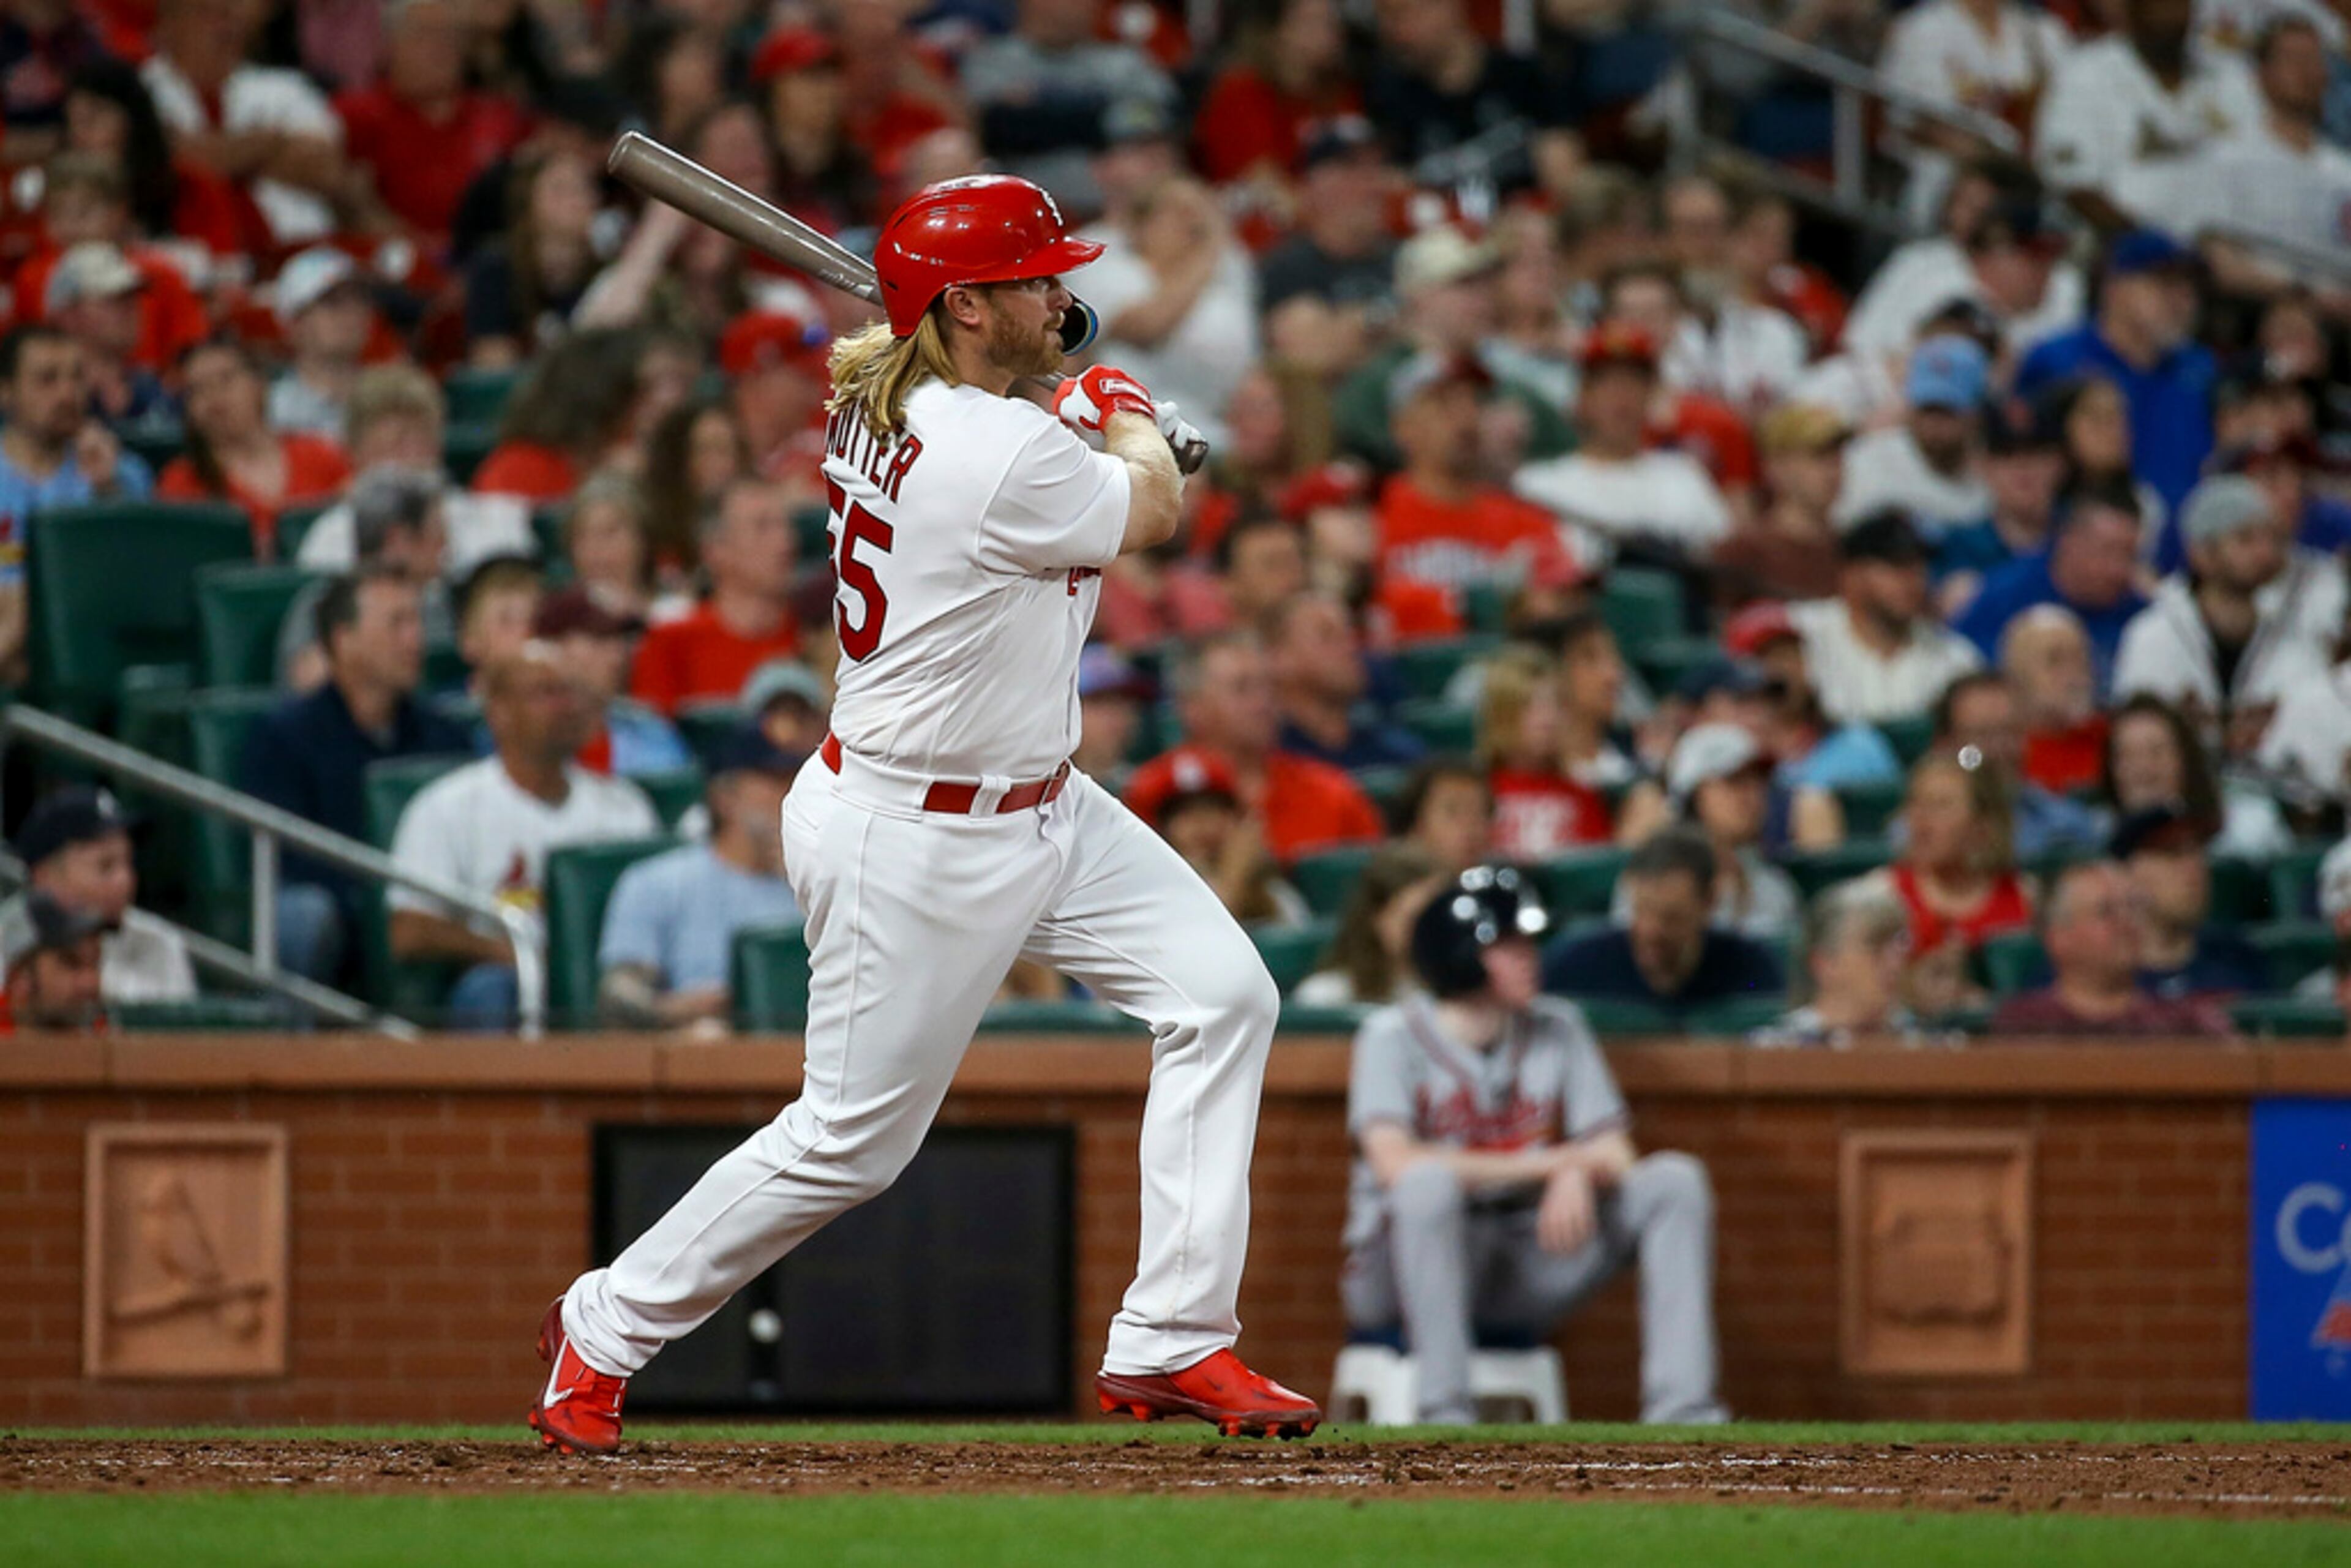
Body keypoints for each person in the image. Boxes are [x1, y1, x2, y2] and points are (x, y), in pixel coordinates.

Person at [534, 173, 1320, 1457]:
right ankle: (605, 1321)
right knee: (849, 1142)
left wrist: (1074, 412)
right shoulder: (984, 447)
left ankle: (1175, 1331)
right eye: (1034, 279)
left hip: (1042, 800)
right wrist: (1119, 417)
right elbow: (1157, 508)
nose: (1063, 294)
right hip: (915, 829)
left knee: (1223, 994)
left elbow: (1030, 439)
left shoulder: (892, 399)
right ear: (963, 306)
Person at [1346, 864, 1727, 1424]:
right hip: (1399, 1268)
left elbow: (1617, 1153)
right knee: (1427, 1188)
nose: (1530, 955)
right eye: (1508, 944)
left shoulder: (1560, 1025)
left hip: (1523, 1252)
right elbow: (1395, 1165)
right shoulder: (1390, 1035)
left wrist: (1575, 1170)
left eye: (1529, 940)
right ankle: (1444, 1410)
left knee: (1673, 1181)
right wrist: (1556, 1163)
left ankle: (1685, 1409)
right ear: (1457, 953)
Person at [389, 644, 661, 1030]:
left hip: (606, 983)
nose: (565, 706)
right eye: (544, 694)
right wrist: (517, 954)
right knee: (491, 989)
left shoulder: (626, 806)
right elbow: (410, 930)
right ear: (498, 712)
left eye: (570, 692)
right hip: (505, 979)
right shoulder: (446, 806)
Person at [240, 566, 474, 985]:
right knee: (301, 916)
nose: (416, 640)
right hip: (342, 910)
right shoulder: (284, 736)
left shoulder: (447, 736)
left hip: (428, 911)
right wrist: (372, 900)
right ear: (344, 640)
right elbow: (285, 860)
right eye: (397, 624)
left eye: (416, 621)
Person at [596, 726, 805, 1034]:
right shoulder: (658, 882)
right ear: (725, 799)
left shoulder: (816, 888)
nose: (792, 793)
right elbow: (615, 997)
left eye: (796, 779)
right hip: (696, 1060)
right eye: (775, 780)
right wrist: (680, 1010)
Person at [2014, 230, 2218, 541]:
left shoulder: (2200, 367)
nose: (2181, 298)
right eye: (2163, 283)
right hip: (2086, 547)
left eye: (2189, 286)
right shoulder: (2056, 360)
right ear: (2114, 287)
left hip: (2186, 555)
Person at [2113, 473, 2331, 751]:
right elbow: (2134, 734)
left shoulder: (2296, 637)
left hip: (2271, 790)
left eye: (2270, 538)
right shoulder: (2153, 637)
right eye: (2245, 539)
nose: (2264, 553)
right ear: (2201, 553)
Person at [1127, 632, 1385, 862]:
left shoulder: (1331, 791)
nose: (1263, 703)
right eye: (1243, 689)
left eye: (1268, 687)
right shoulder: (1152, 793)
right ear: (1192, 708)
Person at [0, 323, 149, 680]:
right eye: (47, 380)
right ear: (5, 392)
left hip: (97, 648)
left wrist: (106, 491)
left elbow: (144, 585)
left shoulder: (122, 472)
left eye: (76, 377)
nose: (68, 394)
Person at [1515, 325, 1732, 567]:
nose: (1621, 397)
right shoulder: (1538, 485)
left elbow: (1723, 563)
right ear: (1583, 398)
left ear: (1651, 395)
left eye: (1633, 383)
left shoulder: (1685, 478)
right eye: (1607, 384)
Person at [2033, 0, 2261, 227]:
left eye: (2177, 6)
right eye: (2156, 6)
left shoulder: (2228, 74)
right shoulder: (2085, 73)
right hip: (2120, 245)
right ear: (2132, 11)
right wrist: (2153, 243)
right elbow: (2074, 185)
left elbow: (2264, 162)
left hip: (2233, 239)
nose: (2169, 19)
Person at [292, 366, 535, 577]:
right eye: (394, 446)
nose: (410, 460)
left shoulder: (495, 521)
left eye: (420, 442)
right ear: (356, 455)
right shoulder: (332, 537)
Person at [1373, 353, 1569, 595]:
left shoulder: (1529, 526)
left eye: (1474, 401)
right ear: (1402, 427)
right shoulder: (1371, 516)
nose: (1467, 417)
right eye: (1445, 403)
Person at [958, 0, 1176, 214]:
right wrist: (1101, 114)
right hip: (1018, 208)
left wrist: (1046, 110)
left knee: (1151, 160)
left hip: (1114, 206)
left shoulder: (1124, 62)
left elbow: (1155, 121)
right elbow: (1004, 127)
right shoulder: (991, 60)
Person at [1857, 750, 2033, 1010]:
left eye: (1941, 805)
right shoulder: (1880, 894)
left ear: (1983, 823)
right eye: (1916, 803)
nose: (1921, 820)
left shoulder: (2026, 896)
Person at [1541, 827, 1784, 1010]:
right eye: (1641, 911)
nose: (1651, 930)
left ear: (1709, 902)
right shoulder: (1575, 969)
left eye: (1671, 917)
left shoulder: (1750, 973)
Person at [1990, 861, 2237, 1037]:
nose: (2126, 923)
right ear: (2058, 938)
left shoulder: (2187, 1023)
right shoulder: (2023, 1026)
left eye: (2131, 907)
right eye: (2106, 911)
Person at [157, 338, 351, 559]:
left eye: (226, 379)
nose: (214, 396)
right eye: (198, 389)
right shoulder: (182, 482)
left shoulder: (321, 455)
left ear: (259, 383)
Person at [0, 786, 193, 1005]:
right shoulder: (5, 940)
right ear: (45, 877)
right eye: (106, 866)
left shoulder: (159, 944)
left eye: (128, 863)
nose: (125, 880)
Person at [1789, 512, 1984, 726]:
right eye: (1896, 564)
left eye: (1920, 564)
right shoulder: (1799, 631)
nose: (1912, 578)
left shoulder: (1955, 659)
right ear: (1851, 573)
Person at [1957, 480, 2151, 694]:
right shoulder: (2004, 596)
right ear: (2069, 542)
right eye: (2108, 551)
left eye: (2129, 555)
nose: (2118, 569)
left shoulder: (2138, 613)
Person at [629, 478, 801, 716]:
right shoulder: (671, 643)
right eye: (763, 527)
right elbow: (649, 743)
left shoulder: (817, 635)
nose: (787, 542)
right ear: (716, 550)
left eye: (786, 526)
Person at [277, 466, 451, 691]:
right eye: (437, 535)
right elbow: (311, 683)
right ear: (398, 540)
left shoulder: (440, 605)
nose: (446, 546)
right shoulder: (323, 602)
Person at [1622, 725, 1801, 942]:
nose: (1752, 794)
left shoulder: (1772, 887)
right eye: (1734, 781)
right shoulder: (1650, 882)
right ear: (1694, 795)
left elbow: (1762, 975)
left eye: (1758, 781)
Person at [1932, 669, 2107, 860]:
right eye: (1982, 735)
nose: (1999, 749)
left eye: (2010, 732)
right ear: (1946, 746)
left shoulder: (2067, 828)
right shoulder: (1916, 834)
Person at [1834, 336, 1992, 536]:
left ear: (1976, 414)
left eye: (1946, 413)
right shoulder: (1867, 462)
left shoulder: (1998, 471)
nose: (1932, 425)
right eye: (1926, 410)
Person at [1138, 746, 1311, 928]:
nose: (1203, 823)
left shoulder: (1271, 892)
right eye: (1186, 813)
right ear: (1161, 829)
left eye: (1215, 809)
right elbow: (1201, 936)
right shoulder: (1154, 892)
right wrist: (1235, 873)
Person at [2107, 691, 2292, 858]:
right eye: (2127, 755)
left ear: (2184, 759)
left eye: (2157, 752)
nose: (2143, 768)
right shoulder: (2097, 838)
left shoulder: (2247, 831)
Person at [534, 588, 694, 780]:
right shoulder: (519, 737)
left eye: (622, 641)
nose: (618, 657)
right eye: (600, 640)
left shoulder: (651, 733)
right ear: (551, 647)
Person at [1750, 881, 1930, 1049]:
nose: (1895, 963)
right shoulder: (1778, 1048)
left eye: (1899, 948)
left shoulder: (1925, 1047)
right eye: (1875, 948)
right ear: (1825, 963)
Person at [2113, 805, 2266, 999]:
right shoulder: (2094, 973)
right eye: (2173, 854)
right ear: (2126, 874)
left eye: (2198, 851)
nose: (2194, 868)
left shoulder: (2238, 957)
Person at [1477, 645, 1613, 859]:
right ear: (1502, 714)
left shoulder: (1582, 794)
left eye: (1555, 705)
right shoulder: (1479, 793)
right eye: (1530, 706)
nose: (1548, 719)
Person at [1267, 591, 1424, 772]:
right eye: (1327, 635)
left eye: (1348, 633)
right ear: (1279, 657)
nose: (1350, 647)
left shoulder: (1398, 754)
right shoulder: (1268, 761)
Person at [1712, 402, 1847, 608]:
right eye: (1818, 456)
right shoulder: (1743, 552)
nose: (1832, 471)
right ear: (1776, 467)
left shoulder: (1854, 549)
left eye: (1837, 458)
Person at [1293, 842, 1444, 1008]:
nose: (1429, 930)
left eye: (1438, 918)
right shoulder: (1325, 996)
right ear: (1376, 917)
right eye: (1414, 918)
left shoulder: (1459, 996)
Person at [266, 247, 376, 440]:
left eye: (359, 299)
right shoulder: (272, 410)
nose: (351, 312)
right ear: (295, 324)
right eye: (332, 303)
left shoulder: (392, 398)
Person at [2001, 604, 2108, 793]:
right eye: (2054, 660)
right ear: (2016, 677)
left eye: (2079, 658)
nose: (2072, 674)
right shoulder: (2003, 754)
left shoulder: (2114, 742)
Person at [0, 888, 108, 1035]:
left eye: (95, 964)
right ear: (20, 978)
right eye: (71, 964)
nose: (91, 983)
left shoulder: (104, 1035)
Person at [1393, 757, 1494, 876]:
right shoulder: (1384, 880)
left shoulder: (1499, 878)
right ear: (1416, 825)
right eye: (1452, 812)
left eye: (1480, 812)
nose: (1471, 825)